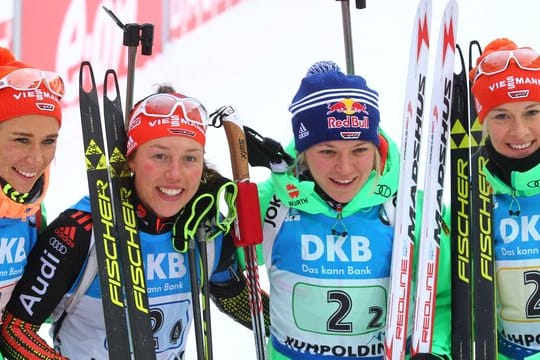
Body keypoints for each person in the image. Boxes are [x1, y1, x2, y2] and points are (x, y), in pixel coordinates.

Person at [0, 86, 269, 359]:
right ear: (131, 159)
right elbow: (16, 330)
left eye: (190, 158)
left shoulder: (205, 227)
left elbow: (234, 297)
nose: (174, 174)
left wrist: (301, 327)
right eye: (159, 156)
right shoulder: (79, 231)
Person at [245, 61, 452, 359]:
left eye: (359, 150)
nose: (344, 168)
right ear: (303, 151)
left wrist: (435, 351)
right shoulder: (270, 202)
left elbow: (444, 298)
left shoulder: (414, 208)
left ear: (376, 147)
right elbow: (214, 266)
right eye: (327, 151)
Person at [469, 38, 540, 360]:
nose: (520, 131)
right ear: (482, 121)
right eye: (501, 116)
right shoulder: (466, 193)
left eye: (532, 112)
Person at [0, 47, 63, 317]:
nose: (37, 159)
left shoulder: (31, 209)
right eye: (21, 140)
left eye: (48, 141)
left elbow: (34, 311)